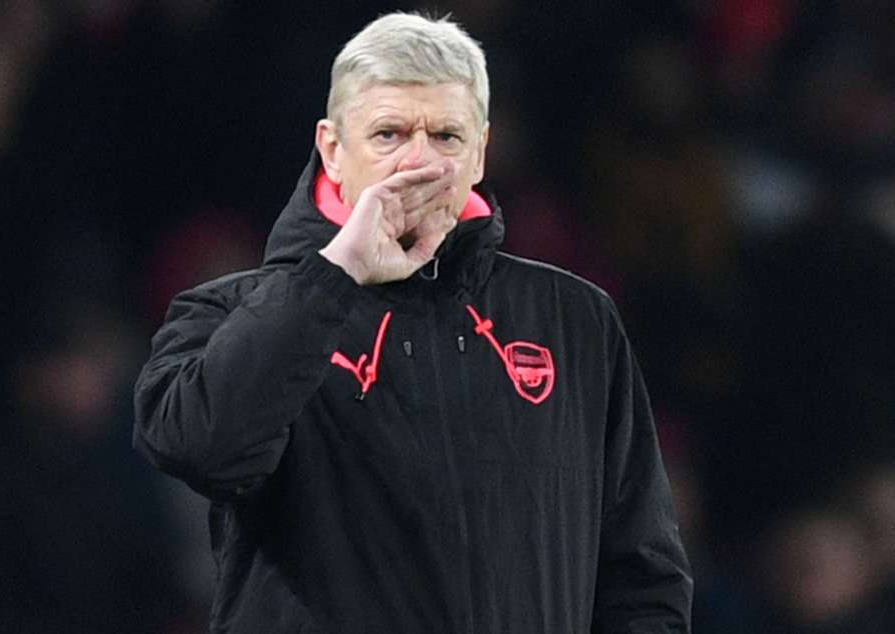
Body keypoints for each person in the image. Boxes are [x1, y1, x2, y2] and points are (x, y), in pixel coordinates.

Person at [133, 12, 693, 633]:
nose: (419, 162)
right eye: (389, 134)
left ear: (480, 152)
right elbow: (198, 449)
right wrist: (336, 275)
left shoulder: (574, 321)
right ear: (332, 150)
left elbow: (642, 578)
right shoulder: (228, 312)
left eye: (447, 136)